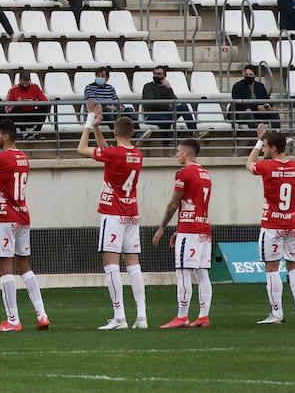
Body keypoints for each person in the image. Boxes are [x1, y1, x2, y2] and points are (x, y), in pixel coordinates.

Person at [0, 120, 50, 332]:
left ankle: (13, 319)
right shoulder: (22, 157)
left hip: (4, 217)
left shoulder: (1, 157)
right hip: (22, 216)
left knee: (5, 268)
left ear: (6, 136)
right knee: (25, 266)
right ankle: (42, 315)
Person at [77, 105, 147, 330]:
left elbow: (82, 149)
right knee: (134, 264)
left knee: (111, 265)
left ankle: (119, 316)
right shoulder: (137, 154)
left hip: (113, 213)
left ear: (115, 132)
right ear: (133, 132)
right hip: (131, 213)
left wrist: (89, 122)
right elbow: (107, 152)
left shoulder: (113, 153)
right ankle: (142, 316)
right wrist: (98, 129)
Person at [246, 128, 295, 324]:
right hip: (291, 223)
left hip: (272, 224)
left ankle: (277, 313)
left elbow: (249, 164)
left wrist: (258, 141)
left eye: (266, 147)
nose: (264, 150)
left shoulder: (266, 167)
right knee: (293, 266)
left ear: (273, 148)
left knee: (272, 268)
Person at [150, 138, 213, 328]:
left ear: (186, 153)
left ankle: (182, 316)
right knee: (202, 273)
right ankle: (203, 315)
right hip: (203, 228)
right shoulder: (206, 173)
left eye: (178, 151)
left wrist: (162, 227)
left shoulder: (184, 173)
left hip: (190, 229)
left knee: (183, 272)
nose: (176, 154)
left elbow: (174, 203)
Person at [141, 67, 198, 137]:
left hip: (167, 114)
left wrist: (169, 88)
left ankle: (193, 132)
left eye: (159, 74)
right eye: (155, 74)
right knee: (166, 121)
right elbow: (151, 102)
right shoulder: (148, 86)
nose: (156, 76)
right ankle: (166, 142)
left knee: (183, 106)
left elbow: (175, 100)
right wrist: (168, 106)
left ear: (164, 75)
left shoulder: (166, 87)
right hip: (152, 115)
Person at [231, 65, 280, 131]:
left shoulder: (260, 86)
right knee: (248, 112)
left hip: (258, 113)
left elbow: (267, 99)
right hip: (242, 113)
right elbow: (239, 104)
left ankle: (276, 136)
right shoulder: (237, 86)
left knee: (274, 113)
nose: (248, 76)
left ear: (255, 75)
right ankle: (259, 134)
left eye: (250, 74)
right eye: (246, 74)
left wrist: (268, 105)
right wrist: (257, 107)